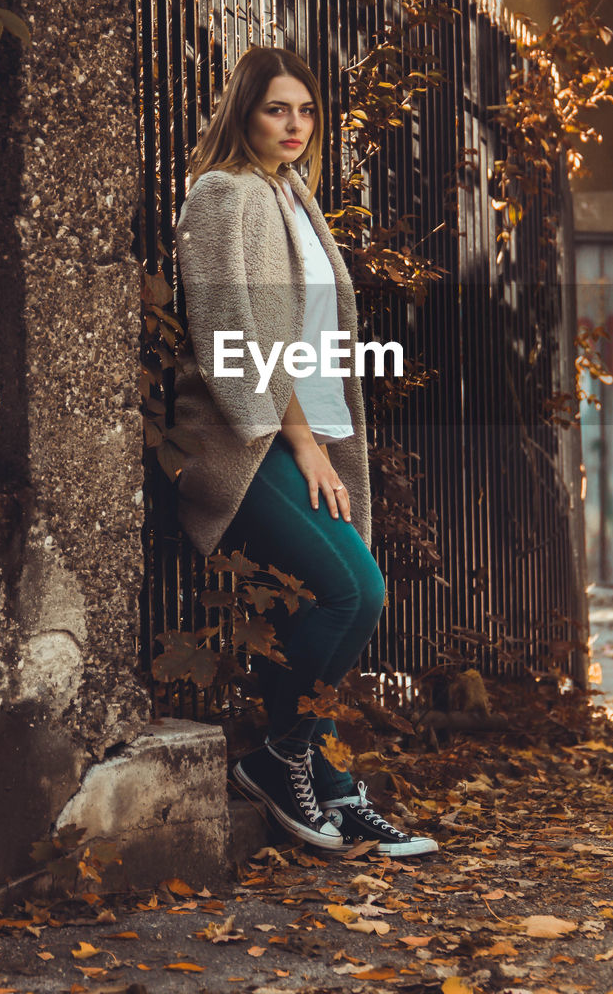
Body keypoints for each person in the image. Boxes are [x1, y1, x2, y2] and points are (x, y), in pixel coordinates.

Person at [173, 45, 438, 857]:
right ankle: (281, 759)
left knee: (332, 597)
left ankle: (319, 779)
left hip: (303, 436)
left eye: (305, 110)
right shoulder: (223, 195)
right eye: (274, 109)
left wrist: (320, 439)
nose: (293, 125)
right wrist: (300, 443)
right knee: (353, 589)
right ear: (242, 113)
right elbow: (229, 333)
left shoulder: (290, 195)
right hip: (249, 441)